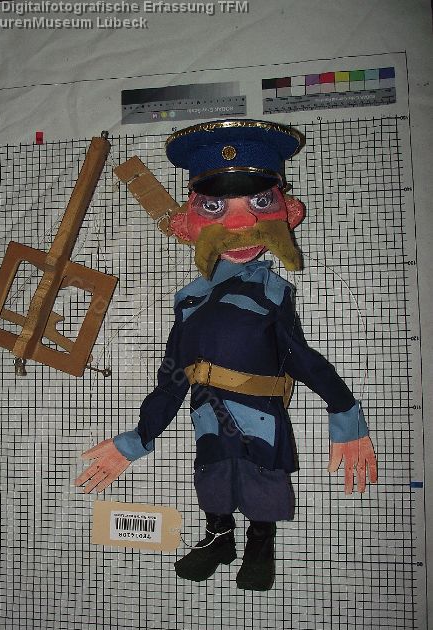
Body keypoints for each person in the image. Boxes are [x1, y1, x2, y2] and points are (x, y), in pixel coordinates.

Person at [75, 119, 377, 591]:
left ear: (286, 211)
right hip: (207, 413)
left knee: (262, 477)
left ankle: (260, 542)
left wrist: (345, 414)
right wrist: (137, 438)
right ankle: (219, 536)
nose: (238, 224)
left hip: (261, 411)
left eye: (259, 202)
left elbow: (300, 357)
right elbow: (172, 378)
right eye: (214, 206)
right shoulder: (189, 301)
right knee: (212, 474)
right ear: (188, 222)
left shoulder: (273, 293)